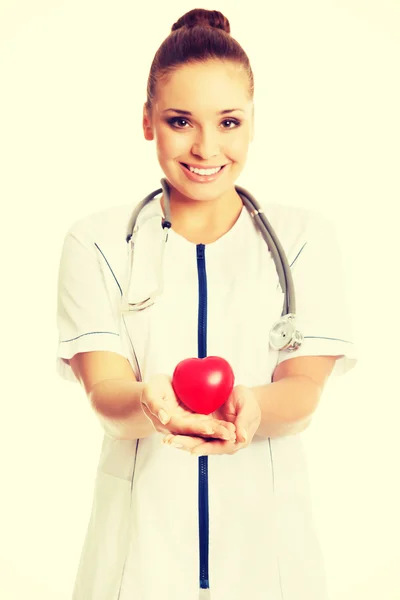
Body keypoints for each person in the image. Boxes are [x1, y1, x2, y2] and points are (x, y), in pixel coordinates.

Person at [56, 8, 357, 600]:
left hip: (270, 564)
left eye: (228, 122)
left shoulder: (303, 240)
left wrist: (252, 406)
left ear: (251, 124)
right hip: (135, 565)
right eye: (179, 121)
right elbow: (106, 399)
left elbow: (302, 395)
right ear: (147, 121)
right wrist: (150, 401)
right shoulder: (95, 243)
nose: (205, 147)